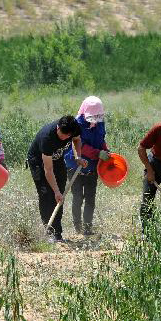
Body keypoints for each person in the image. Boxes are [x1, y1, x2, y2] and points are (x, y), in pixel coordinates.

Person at [27, 115, 86, 243]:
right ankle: (48, 232)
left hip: (57, 158)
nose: (64, 138)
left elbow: (76, 140)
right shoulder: (47, 138)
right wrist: (56, 191)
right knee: (47, 195)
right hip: (39, 162)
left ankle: (57, 234)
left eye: (67, 136)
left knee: (60, 197)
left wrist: (78, 157)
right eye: (62, 135)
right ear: (58, 127)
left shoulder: (74, 128)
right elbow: (48, 170)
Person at [64, 96, 110, 236]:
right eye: (92, 116)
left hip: (92, 167)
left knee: (90, 198)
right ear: (85, 112)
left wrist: (105, 150)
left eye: (98, 116)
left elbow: (101, 140)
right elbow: (80, 146)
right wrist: (98, 153)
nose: (95, 119)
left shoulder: (100, 124)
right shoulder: (76, 124)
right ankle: (78, 227)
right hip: (75, 164)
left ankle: (88, 228)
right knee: (78, 198)